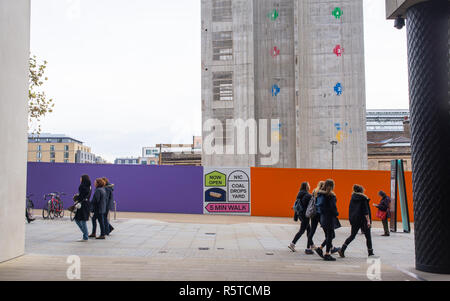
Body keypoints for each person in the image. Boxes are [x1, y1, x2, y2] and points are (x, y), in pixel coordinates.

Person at [338, 185, 375, 258]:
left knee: (352, 235)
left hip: (355, 219)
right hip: (363, 220)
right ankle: (370, 252)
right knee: (368, 236)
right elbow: (366, 211)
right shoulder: (363, 198)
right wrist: (368, 221)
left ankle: (342, 249)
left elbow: (351, 209)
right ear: (362, 191)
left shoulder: (353, 198)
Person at [314, 179, 340, 261]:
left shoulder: (320, 194)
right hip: (330, 217)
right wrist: (336, 213)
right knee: (330, 236)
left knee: (331, 235)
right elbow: (333, 207)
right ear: (332, 186)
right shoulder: (331, 195)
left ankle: (320, 248)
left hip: (322, 217)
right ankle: (327, 254)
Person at [289, 182, 314, 254]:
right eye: (308, 185)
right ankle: (292, 244)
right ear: (306, 187)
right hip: (305, 215)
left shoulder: (300, 193)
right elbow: (309, 206)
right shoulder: (307, 195)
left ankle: (311, 245)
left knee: (309, 230)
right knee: (302, 230)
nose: (309, 186)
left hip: (300, 215)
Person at [73, 175, 92, 242]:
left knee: (79, 219)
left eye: (80, 178)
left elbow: (81, 196)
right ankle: (85, 234)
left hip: (81, 205)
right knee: (82, 219)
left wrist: (77, 198)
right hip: (87, 204)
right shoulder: (89, 186)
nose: (80, 179)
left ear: (83, 179)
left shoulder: (82, 186)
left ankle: (85, 235)